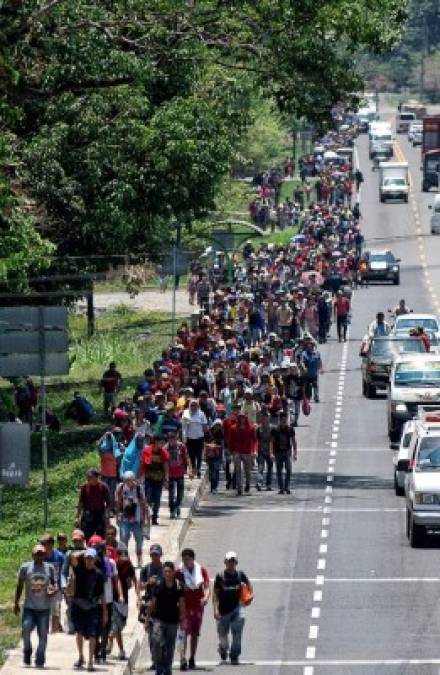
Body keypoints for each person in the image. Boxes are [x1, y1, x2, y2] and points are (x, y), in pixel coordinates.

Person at [14, 544, 57, 668]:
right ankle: (27, 651)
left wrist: (53, 590)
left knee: (43, 635)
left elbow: (54, 585)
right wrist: (16, 602)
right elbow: (20, 585)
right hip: (30, 607)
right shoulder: (25, 568)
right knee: (26, 629)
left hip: (44, 608)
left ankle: (40, 658)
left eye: (42, 554)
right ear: (32, 555)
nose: (39, 556)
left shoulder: (50, 568)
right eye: (37, 554)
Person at [70, 547, 107, 672]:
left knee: (92, 634)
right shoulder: (79, 569)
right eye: (87, 558)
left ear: (95, 560)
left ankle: (90, 661)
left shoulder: (99, 574)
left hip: (92, 607)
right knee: (79, 633)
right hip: (78, 605)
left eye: (91, 558)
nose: (88, 561)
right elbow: (72, 556)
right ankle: (81, 656)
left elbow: (102, 594)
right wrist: (85, 550)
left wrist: (105, 611)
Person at [213, 551, 253, 666]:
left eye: (233, 561)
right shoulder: (220, 576)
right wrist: (215, 609)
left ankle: (234, 655)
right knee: (223, 637)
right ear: (225, 562)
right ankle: (222, 649)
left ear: (236, 563)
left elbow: (248, 584)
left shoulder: (240, 575)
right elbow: (215, 594)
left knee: (237, 632)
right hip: (223, 611)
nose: (231, 564)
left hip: (237, 608)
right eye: (229, 561)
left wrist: (250, 596)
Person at [176, 549, 210, 671]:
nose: (185, 562)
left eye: (188, 559)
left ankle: (192, 658)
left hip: (198, 608)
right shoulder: (179, 572)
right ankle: (182, 658)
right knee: (183, 634)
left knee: (195, 634)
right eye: (184, 559)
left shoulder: (201, 570)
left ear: (193, 559)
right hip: (185, 608)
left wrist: (206, 597)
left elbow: (206, 587)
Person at [150, 561, 185, 675]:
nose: (167, 574)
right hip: (159, 618)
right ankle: (159, 666)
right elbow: (153, 603)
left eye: (169, 571)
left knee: (170, 646)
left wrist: (182, 619)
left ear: (173, 572)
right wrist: (147, 619)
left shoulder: (178, 585)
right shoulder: (159, 584)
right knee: (157, 642)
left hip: (172, 620)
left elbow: (182, 603)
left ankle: (168, 667)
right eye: (165, 571)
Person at [110, 543, 139, 661]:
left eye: (124, 554)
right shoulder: (112, 565)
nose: (122, 556)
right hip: (112, 598)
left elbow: (134, 580)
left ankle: (110, 637)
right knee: (116, 626)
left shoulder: (128, 565)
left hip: (124, 600)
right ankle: (121, 650)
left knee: (122, 624)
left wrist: (138, 597)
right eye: (120, 553)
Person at [115, 470, 149, 568]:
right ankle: (126, 559)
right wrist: (117, 515)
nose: (128, 482)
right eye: (126, 480)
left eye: (130, 480)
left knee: (139, 539)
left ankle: (139, 557)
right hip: (125, 518)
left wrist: (145, 518)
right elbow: (118, 502)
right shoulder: (121, 488)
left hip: (137, 519)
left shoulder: (139, 488)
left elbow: (144, 503)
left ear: (133, 479)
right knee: (123, 538)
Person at [139, 544, 164, 671]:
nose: (155, 557)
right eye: (153, 554)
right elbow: (140, 587)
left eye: (157, 554)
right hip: (150, 606)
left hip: (164, 605)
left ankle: (163, 659)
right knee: (152, 637)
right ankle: (155, 660)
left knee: (163, 636)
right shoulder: (146, 569)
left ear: (161, 555)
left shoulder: (166, 569)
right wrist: (149, 582)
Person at [141, 434, 169, 526]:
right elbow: (142, 465)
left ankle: (154, 517)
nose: (162, 444)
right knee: (147, 498)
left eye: (163, 443)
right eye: (161, 442)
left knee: (157, 499)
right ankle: (147, 516)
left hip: (159, 479)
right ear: (156, 442)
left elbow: (165, 467)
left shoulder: (164, 452)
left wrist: (166, 480)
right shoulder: (146, 450)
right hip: (148, 478)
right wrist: (137, 477)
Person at [76, 468, 111, 541]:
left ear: (97, 477)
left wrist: (107, 515)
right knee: (87, 535)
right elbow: (80, 503)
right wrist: (77, 516)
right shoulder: (84, 487)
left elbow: (108, 503)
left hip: (100, 513)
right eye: (88, 478)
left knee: (101, 535)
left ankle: (100, 550)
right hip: (88, 513)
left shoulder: (103, 487)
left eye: (91, 477)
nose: (90, 480)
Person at [40, 533, 65, 633]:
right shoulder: (40, 556)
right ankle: (48, 629)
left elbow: (63, 572)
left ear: (50, 544)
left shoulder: (59, 556)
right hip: (43, 587)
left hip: (56, 587)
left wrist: (62, 587)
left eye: (43, 543)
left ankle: (53, 632)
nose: (41, 545)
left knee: (55, 609)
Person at [228, 412, 257, 495]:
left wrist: (254, 451)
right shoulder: (233, 428)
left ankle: (247, 485)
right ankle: (239, 488)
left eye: (243, 417)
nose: (242, 419)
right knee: (238, 470)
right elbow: (230, 441)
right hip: (237, 452)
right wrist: (231, 452)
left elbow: (255, 441)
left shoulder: (251, 428)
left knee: (248, 471)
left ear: (245, 418)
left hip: (247, 452)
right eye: (240, 417)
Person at [271, 411, 297, 494]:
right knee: (279, 471)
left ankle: (287, 487)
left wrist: (295, 453)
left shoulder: (290, 429)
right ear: (279, 420)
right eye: (281, 419)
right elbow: (271, 442)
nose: (283, 421)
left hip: (287, 452)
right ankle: (281, 488)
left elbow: (293, 441)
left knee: (289, 470)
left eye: (285, 419)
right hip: (278, 452)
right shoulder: (275, 429)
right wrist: (271, 453)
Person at [165, 431, 190, 519]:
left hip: (180, 473)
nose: (172, 442)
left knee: (180, 493)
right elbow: (164, 462)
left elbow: (186, 457)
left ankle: (178, 505)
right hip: (170, 474)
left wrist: (190, 469)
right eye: (170, 440)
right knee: (171, 494)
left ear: (176, 439)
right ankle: (172, 510)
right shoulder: (165, 448)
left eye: (174, 439)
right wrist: (165, 477)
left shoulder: (181, 446)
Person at [181, 399, 208, 479]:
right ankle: (193, 468)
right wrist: (184, 437)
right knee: (192, 455)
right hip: (190, 438)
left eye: (195, 405)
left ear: (197, 406)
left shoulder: (201, 414)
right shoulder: (186, 413)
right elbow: (183, 426)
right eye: (192, 405)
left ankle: (198, 469)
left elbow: (205, 425)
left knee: (199, 455)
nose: (193, 407)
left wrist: (204, 435)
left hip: (199, 437)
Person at [256, 408, 273, 491]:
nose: (265, 419)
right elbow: (255, 440)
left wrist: (273, 453)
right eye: (263, 417)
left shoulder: (272, 429)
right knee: (260, 467)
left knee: (270, 468)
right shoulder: (258, 429)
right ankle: (259, 483)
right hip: (260, 451)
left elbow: (274, 441)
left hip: (270, 451)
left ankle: (268, 484)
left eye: (266, 417)